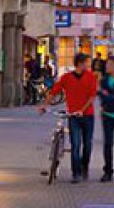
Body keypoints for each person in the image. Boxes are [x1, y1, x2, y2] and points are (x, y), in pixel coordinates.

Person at [40, 52, 97, 183]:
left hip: (87, 115)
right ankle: (76, 173)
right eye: (86, 63)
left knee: (87, 145)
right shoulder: (67, 77)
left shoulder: (91, 77)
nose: (88, 65)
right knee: (75, 144)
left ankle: (84, 166)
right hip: (73, 116)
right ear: (80, 64)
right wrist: (44, 105)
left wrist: (81, 110)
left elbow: (92, 96)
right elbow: (54, 92)